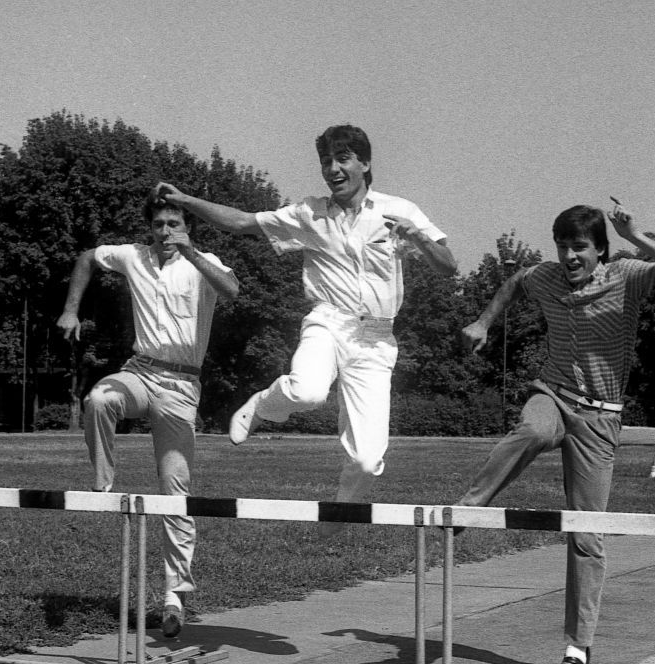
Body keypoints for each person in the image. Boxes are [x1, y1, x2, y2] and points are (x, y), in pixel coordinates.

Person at [155, 125, 456, 520]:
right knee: (309, 391)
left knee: (367, 460)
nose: (333, 168)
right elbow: (242, 221)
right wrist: (183, 199)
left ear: (365, 164)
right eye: (326, 161)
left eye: (343, 159)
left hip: (376, 339)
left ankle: (341, 512)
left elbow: (448, 267)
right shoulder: (308, 214)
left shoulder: (399, 211)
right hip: (327, 322)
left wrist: (417, 237)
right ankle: (261, 406)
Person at [457, 200, 655, 664]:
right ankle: (470, 506)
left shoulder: (627, 274)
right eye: (562, 246)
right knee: (534, 428)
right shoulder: (544, 277)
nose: (569, 257)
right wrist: (484, 321)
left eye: (579, 247)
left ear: (600, 250)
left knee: (586, 536)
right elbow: (514, 284)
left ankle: (577, 647)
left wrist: (638, 235)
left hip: (600, 420)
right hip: (553, 393)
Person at [56, 188, 239, 639]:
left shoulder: (204, 262)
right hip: (141, 372)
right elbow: (85, 257)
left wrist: (192, 254)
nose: (165, 233)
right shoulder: (133, 256)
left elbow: (232, 291)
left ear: (187, 227)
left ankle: (174, 597)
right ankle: (102, 484)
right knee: (99, 399)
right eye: (158, 225)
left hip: (181, 386)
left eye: (173, 224)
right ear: (149, 229)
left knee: (175, 491)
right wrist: (70, 310)